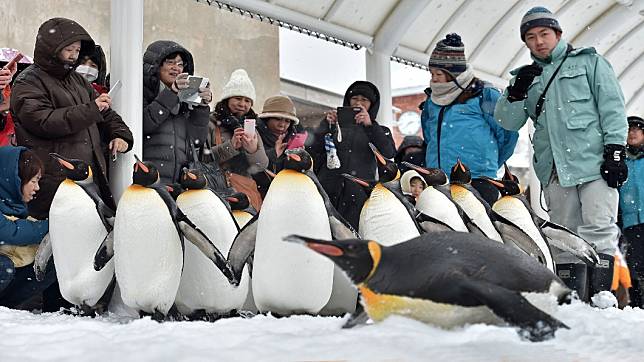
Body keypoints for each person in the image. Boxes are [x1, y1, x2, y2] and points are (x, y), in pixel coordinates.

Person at [494, 7, 629, 299]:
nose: (539, 41)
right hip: (555, 169)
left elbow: (613, 109)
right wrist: (516, 93)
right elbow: (507, 121)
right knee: (563, 234)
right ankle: (574, 301)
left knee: (598, 227)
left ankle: (601, 298)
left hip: (595, 164)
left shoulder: (590, 63)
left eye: (544, 33)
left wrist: (616, 151)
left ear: (558, 34)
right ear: (526, 43)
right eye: (531, 37)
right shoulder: (525, 77)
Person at [10, 18, 133, 219]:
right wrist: (91, 109)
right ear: (52, 48)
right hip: (53, 181)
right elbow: (43, 121)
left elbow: (105, 113)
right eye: (69, 49)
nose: (74, 55)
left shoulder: (77, 81)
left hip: (88, 179)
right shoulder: (28, 81)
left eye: (77, 50)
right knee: (55, 242)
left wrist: (120, 135)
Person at [421, 33, 519, 204]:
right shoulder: (432, 101)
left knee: (477, 228)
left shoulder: (484, 94)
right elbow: (428, 137)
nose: (434, 79)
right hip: (440, 180)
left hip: (478, 179)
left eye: (439, 73)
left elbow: (507, 133)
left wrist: (487, 164)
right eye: (432, 73)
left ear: (454, 74)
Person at [309, 81, 396, 229]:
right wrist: (325, 125)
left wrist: (370, 126)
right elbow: (312, 150)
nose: (359, 103)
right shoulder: (334, 127)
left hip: (359, 194)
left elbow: (388, 153)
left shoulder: (379, 130)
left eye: (364, 100)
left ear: (372, 105)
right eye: (355, 98)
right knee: (322, 233)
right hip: (327, 191)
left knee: (354, 238)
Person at [142, 40, 212, 184]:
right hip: (148, 178)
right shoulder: (141, 90)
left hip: (179, 182)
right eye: (170, 62)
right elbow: (145, 124)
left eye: (180, 64)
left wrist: (201, 106)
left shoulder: (185, 100)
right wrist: (171, 93)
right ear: (156, 65)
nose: (176, 68)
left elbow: (197, 140)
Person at [0, 146, 55, 309]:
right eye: (33, 181)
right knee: (3, 266)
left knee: (50, 261)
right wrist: (53, 226)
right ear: (16, 178)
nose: (37, 188)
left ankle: (5, 308)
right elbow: (10, 232)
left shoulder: (14, 205)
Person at [205, 69, 268, 211]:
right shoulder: (210, 122)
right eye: (238, 98)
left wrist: (252, 150)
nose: (242, 104)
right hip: (215, 192)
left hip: (245, 195)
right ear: (228, 99)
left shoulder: (252, 127)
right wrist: (231, 146)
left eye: (247, 101)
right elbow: (202, 157)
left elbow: (261, 165)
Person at [254, 95, 305, 197]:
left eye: (287, 121)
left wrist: (302, 159)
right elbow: (250, 168)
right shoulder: (253, 136)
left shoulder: (294, 139)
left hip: (288, 196)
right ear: (266, 119)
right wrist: (273, 153)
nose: (282, 125)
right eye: (278, 119)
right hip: (259, 197)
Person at [620, 116, 644, 307]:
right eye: (629, 129)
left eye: (637, 129)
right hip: (629, 223)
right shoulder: (619, 161)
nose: (633, 132)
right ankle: (636, 306)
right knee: (633, 266)